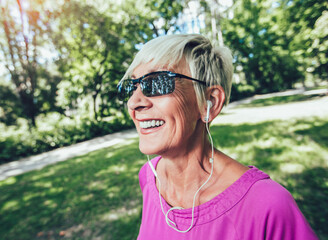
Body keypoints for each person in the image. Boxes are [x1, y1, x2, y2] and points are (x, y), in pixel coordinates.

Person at [117, 34, 318, 239]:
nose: (134, 103)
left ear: (209, 102)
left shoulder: (267, 205)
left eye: (157, 83)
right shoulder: (149, 177)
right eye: (132, 87)